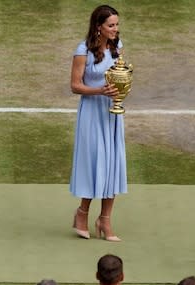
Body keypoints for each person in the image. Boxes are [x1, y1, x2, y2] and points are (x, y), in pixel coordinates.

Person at [70, 4, 127, 242]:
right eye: (111, 25)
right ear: (98, 27)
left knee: (112, 164)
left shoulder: (117, 47)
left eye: (116, 24)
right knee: (95, 163)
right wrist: (99, 91)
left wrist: (120, 90)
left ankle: (105, 220)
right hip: (92, 113)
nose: (115, 29)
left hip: (112, 113)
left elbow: (121, 75)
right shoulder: (83, 50)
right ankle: (82, 213)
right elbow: (75, 85)